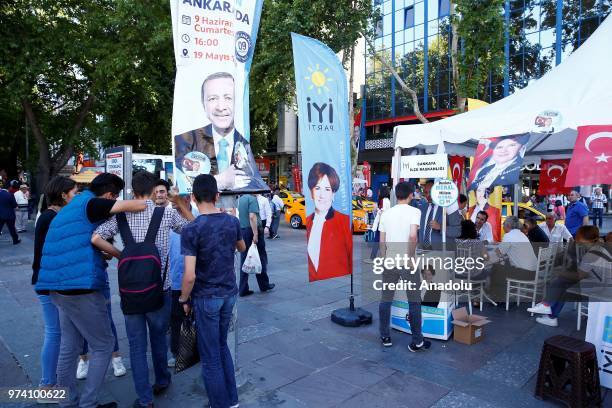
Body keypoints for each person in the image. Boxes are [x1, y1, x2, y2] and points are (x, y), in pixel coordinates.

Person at [35, 173, 147, 408]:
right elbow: (139, 204)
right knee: (104, 344)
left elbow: (76, 242)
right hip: (79, 288)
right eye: (115, 197)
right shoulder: (93, 204)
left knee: (69, 345)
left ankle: (67, 401)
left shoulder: (71, 207)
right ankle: (88, 404)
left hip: (57, 286)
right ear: (109, 195)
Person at [91, 171, 194, 408]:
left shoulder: (121, 215)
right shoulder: (166, 212)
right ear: (151, 191)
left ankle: (145, 399)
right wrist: (179, 203)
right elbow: (191, 229)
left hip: (131, 293)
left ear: (133, 191)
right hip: (161, 288)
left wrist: (120, 254)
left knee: (136, 346)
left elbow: (96, 238)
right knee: (159, 337)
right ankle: (162, 379)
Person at [179, 174, 245, 408]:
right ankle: (232, 401)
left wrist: (183, 299)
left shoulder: (192, 229)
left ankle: (220, 404)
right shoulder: (232, 222)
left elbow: (189, 275)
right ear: (217, 196)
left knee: (210, 357)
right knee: (220, 346)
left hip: (206, 297)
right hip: (229, 294)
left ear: (193, 198)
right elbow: (242, 247)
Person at [174, 72, 267, 192]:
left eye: (228, 98)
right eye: (212, 98)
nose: (221, 107)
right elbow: (182, 186)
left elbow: (256, 184)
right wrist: (219, 181)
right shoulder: (185, 140)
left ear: (236, 103)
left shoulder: (244, 144)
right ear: (203, 104)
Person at [31, 176, 78, 402]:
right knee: (55, 333)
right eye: (74, 192)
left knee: (59, 333)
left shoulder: (52, 216)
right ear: (63, 195)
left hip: (51, 282)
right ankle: (46, 386)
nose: (76, 196)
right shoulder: (51, 218)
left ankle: (56, 379)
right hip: (49, 284)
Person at [378, 181, 431, 352]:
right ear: (410, 195)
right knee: (414, 302)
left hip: (390, 261)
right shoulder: (415, 211)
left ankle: (385, 336)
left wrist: (384, 258)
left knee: (386, 299)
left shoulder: (386, 214)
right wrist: (410, 257)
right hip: (407, 263)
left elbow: (382, 241)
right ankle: (417, 340)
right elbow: (413, 237)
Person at [528, 225, 611, 327]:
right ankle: (548, 308)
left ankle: (549, 311)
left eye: (580, 241)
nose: (578, 243)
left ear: (589, 241)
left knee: (562, 283)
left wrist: (561, 273)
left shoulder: (591, 255)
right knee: (562, 282)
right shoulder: (599, 246)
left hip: (600, 288)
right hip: (602, 283)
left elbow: (579, 275)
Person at [305, 162, 352, 282]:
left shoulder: (344, 221)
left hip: (338, 282)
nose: (321, 195)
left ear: (333, 193)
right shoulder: (308, 221)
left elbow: (349, 256)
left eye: (327, 189)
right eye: (317, 188)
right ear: (311, 192)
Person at [489, 216, 538, 302]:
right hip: (533, 272)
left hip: (524, 273)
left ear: (508, 225)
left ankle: (498, 296)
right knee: (506, 263)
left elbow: (499, 253)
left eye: (503, 224)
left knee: (496, 268)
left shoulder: (508, 236)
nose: (503, 226)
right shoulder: (522, 234)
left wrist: (497, 248)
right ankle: (508, 291)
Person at [238, 193, 274, 296]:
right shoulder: (252, 199)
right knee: (260, 257)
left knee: (244, 258)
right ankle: (264, 284)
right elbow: (252, 216)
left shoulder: (240, 199)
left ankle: (243, 288)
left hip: (243, 230)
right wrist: (255, 234)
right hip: (252, 230)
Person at [419, 180, 461, 248]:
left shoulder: (449, 207)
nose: (428, 195)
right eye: (426, 192)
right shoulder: (422, 208)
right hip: (423, 251)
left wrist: (440, 227)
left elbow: (457, 231)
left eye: (431, 192)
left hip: (442, 253)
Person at [365, 186, 391, 263]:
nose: (378, 192)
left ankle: (373, 257)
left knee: (378, 241)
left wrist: (377, 209)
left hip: (382, 224)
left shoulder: (384, 201)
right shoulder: (386, 200)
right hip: (383, 224)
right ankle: (374, 257)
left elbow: (383, 212)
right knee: (380, 241)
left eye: (379, 191)